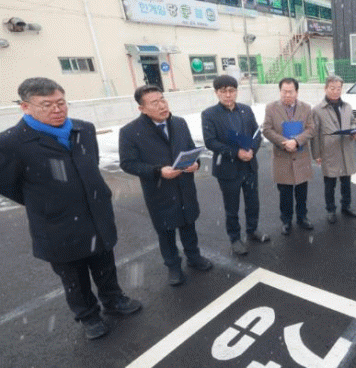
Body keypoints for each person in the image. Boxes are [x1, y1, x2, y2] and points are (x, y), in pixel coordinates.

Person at [0, 78, 142, 340]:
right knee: (73, 276)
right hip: (56, 224)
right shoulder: (11, 142)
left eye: (61, 102)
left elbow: (90, 164)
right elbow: (8, 184)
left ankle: (113, 299)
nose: (57, 110)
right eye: (46, 105)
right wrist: (45, 202)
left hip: (95, 213)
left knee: (104, 263)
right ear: (25, 107)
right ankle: (88, 316)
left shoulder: (83, 129)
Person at [119, 85, 212, 286]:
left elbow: (189, 148)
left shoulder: (179, 123)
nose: (162, 105)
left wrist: (196, 164)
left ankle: (194, 257)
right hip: (160, 190)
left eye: (162, 99)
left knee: (188, 224)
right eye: (155, 103)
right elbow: (128, 163)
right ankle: (173, 266)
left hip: (184, 186)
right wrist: (158, 171)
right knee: (166, 231)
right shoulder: (130, 132)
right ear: (142, 109)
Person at [202, 75, 270, 256]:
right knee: (231, 207)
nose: (228, 95)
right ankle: (235, 238)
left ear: (236, 92)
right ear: (216, 93)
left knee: (253, 202)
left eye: (231, 90)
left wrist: (252, 150)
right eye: (223, 91)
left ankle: (252, 230)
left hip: (249, 165)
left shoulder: (245, 110)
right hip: (228, 168)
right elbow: (210, 142)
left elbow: (256, 134)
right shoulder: (209, 114)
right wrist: (236, 153)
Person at [262, 78, 316, 235]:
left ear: (296, 92)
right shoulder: (271, 108)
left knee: (301, 191)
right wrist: (284, 142)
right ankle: (286, 221)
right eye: (284, 91)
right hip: (282, 156)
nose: (287, 95)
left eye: (290, 92)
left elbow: (311, 129)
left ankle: (302, 217)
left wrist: (297, 141)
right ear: (280, 91)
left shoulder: (306, 108)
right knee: (285, 193)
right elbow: (267, 129)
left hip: (301, 156)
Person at [311, 75, 356, 224]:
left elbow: (352, 122)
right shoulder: (318, 110)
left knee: (346, 182)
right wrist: (316, 154)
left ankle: (346, 206)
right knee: (330, 184)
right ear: (325, 88)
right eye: (332, 88)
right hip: (329, 151)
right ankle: (330, 210)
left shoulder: (347, 107)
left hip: (346, 149)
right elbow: (315, 134)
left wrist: (354, 131)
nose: (335, 91)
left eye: (339, 88)